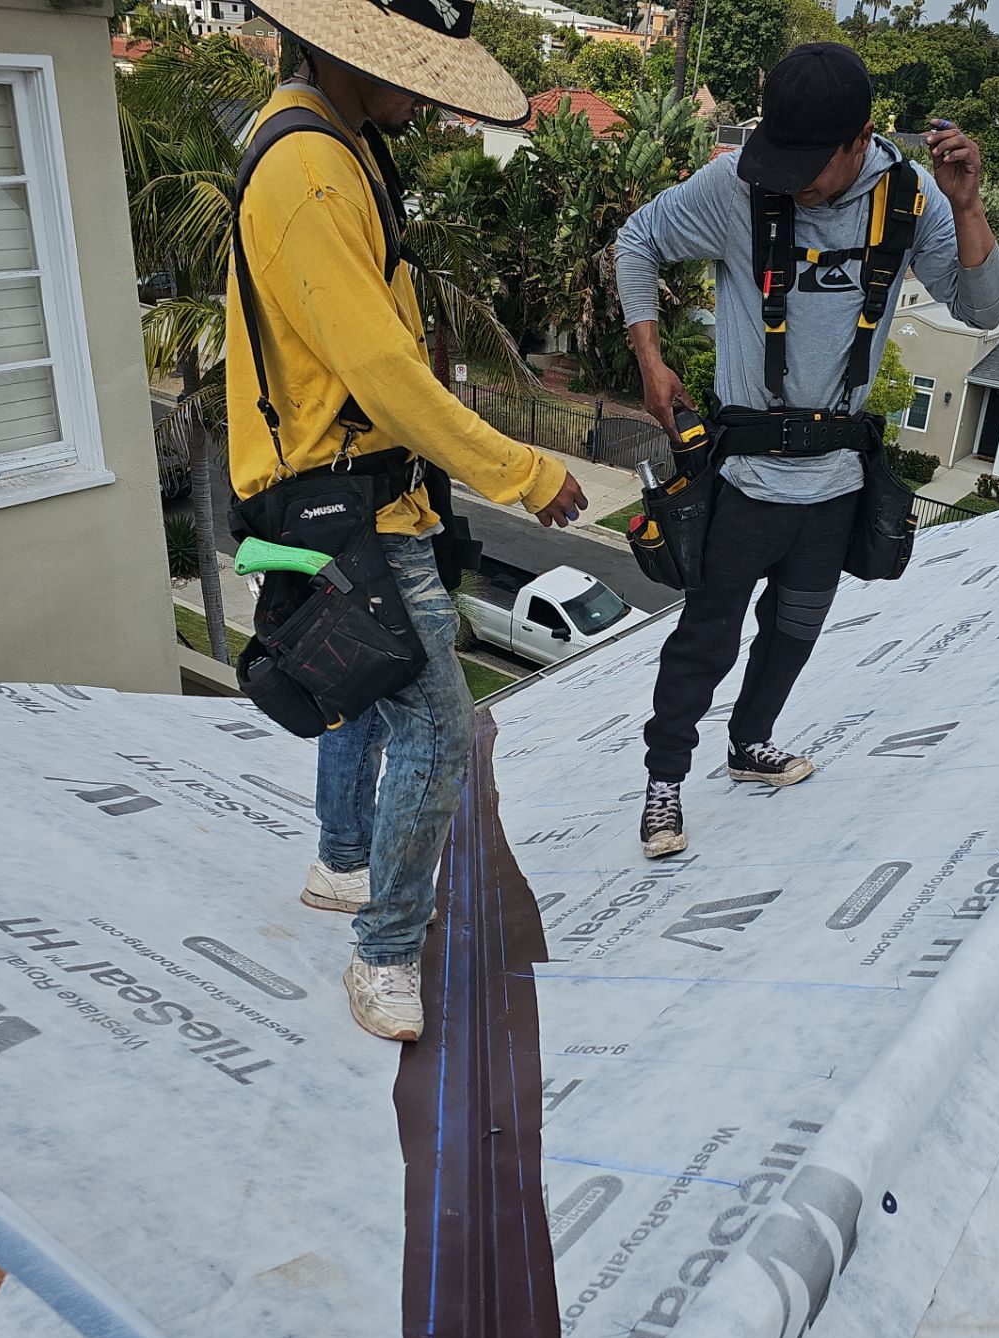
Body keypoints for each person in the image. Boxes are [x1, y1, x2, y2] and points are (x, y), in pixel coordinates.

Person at [229, 0, 587, 1041]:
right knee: (437, 727)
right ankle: (384, 953)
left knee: (364, 689)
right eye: (415, 73)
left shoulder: (334, 144)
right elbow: (381, 374)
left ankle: (343, 863)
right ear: (346, 52)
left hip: (354, 490)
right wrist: (518, 473)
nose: (424, 97)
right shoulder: (310, 172)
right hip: (351, 497)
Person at [616, 43, 999, 859]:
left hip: (835, 485)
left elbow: (982, 311)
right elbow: (637, 240)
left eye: (809, 165)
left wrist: (967, 208)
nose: (789, 180)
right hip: (745, 479)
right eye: (780, 159)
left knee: (795, 630)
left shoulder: (910, 200)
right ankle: (664, 782)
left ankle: (750, 743)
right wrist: (651, 360)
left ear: (858, 141)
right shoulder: (736, 187)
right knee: (706, 639)